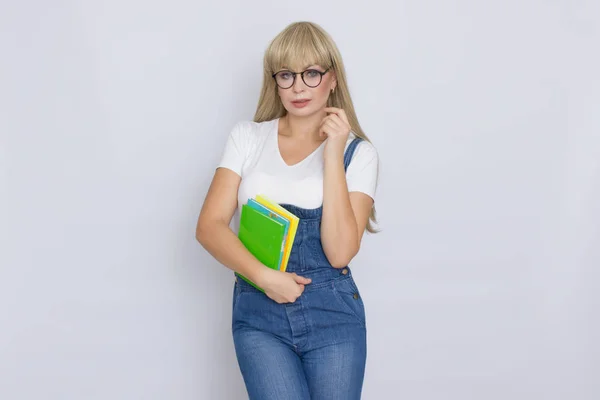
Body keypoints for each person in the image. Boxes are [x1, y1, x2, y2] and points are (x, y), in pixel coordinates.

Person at [196, 21, 379, 400]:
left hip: (333, 313)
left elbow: (340, 252)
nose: (298, 86)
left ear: (332, 79)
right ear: (274, 81)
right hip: (258, 313)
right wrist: (265, 277)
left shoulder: (358, 154)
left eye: (311, 73)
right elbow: (210, 226)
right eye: (286, 74)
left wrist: (332, 152)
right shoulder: (248, 137)